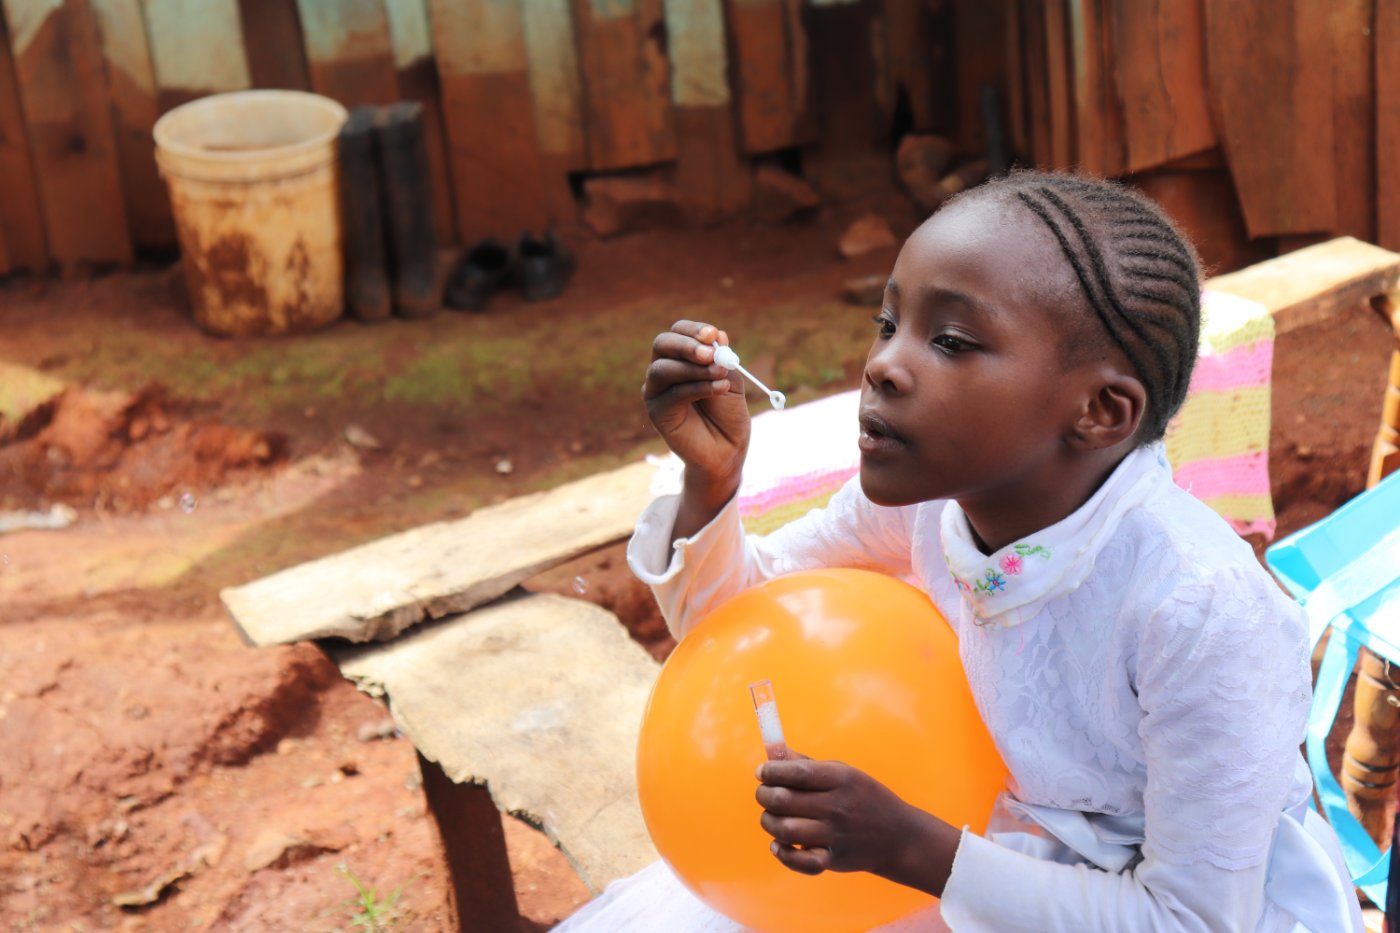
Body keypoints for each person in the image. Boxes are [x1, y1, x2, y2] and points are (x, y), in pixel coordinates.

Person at [557, 171, 1363, 932]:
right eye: (887, 325)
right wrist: (711, 484)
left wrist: (911, 845)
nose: (882, 366)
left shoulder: (1199, 611)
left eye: (948, 339)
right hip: (982, 859)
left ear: (1100, 410)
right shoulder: (930, 503)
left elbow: (1191, 918)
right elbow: (735, 629)